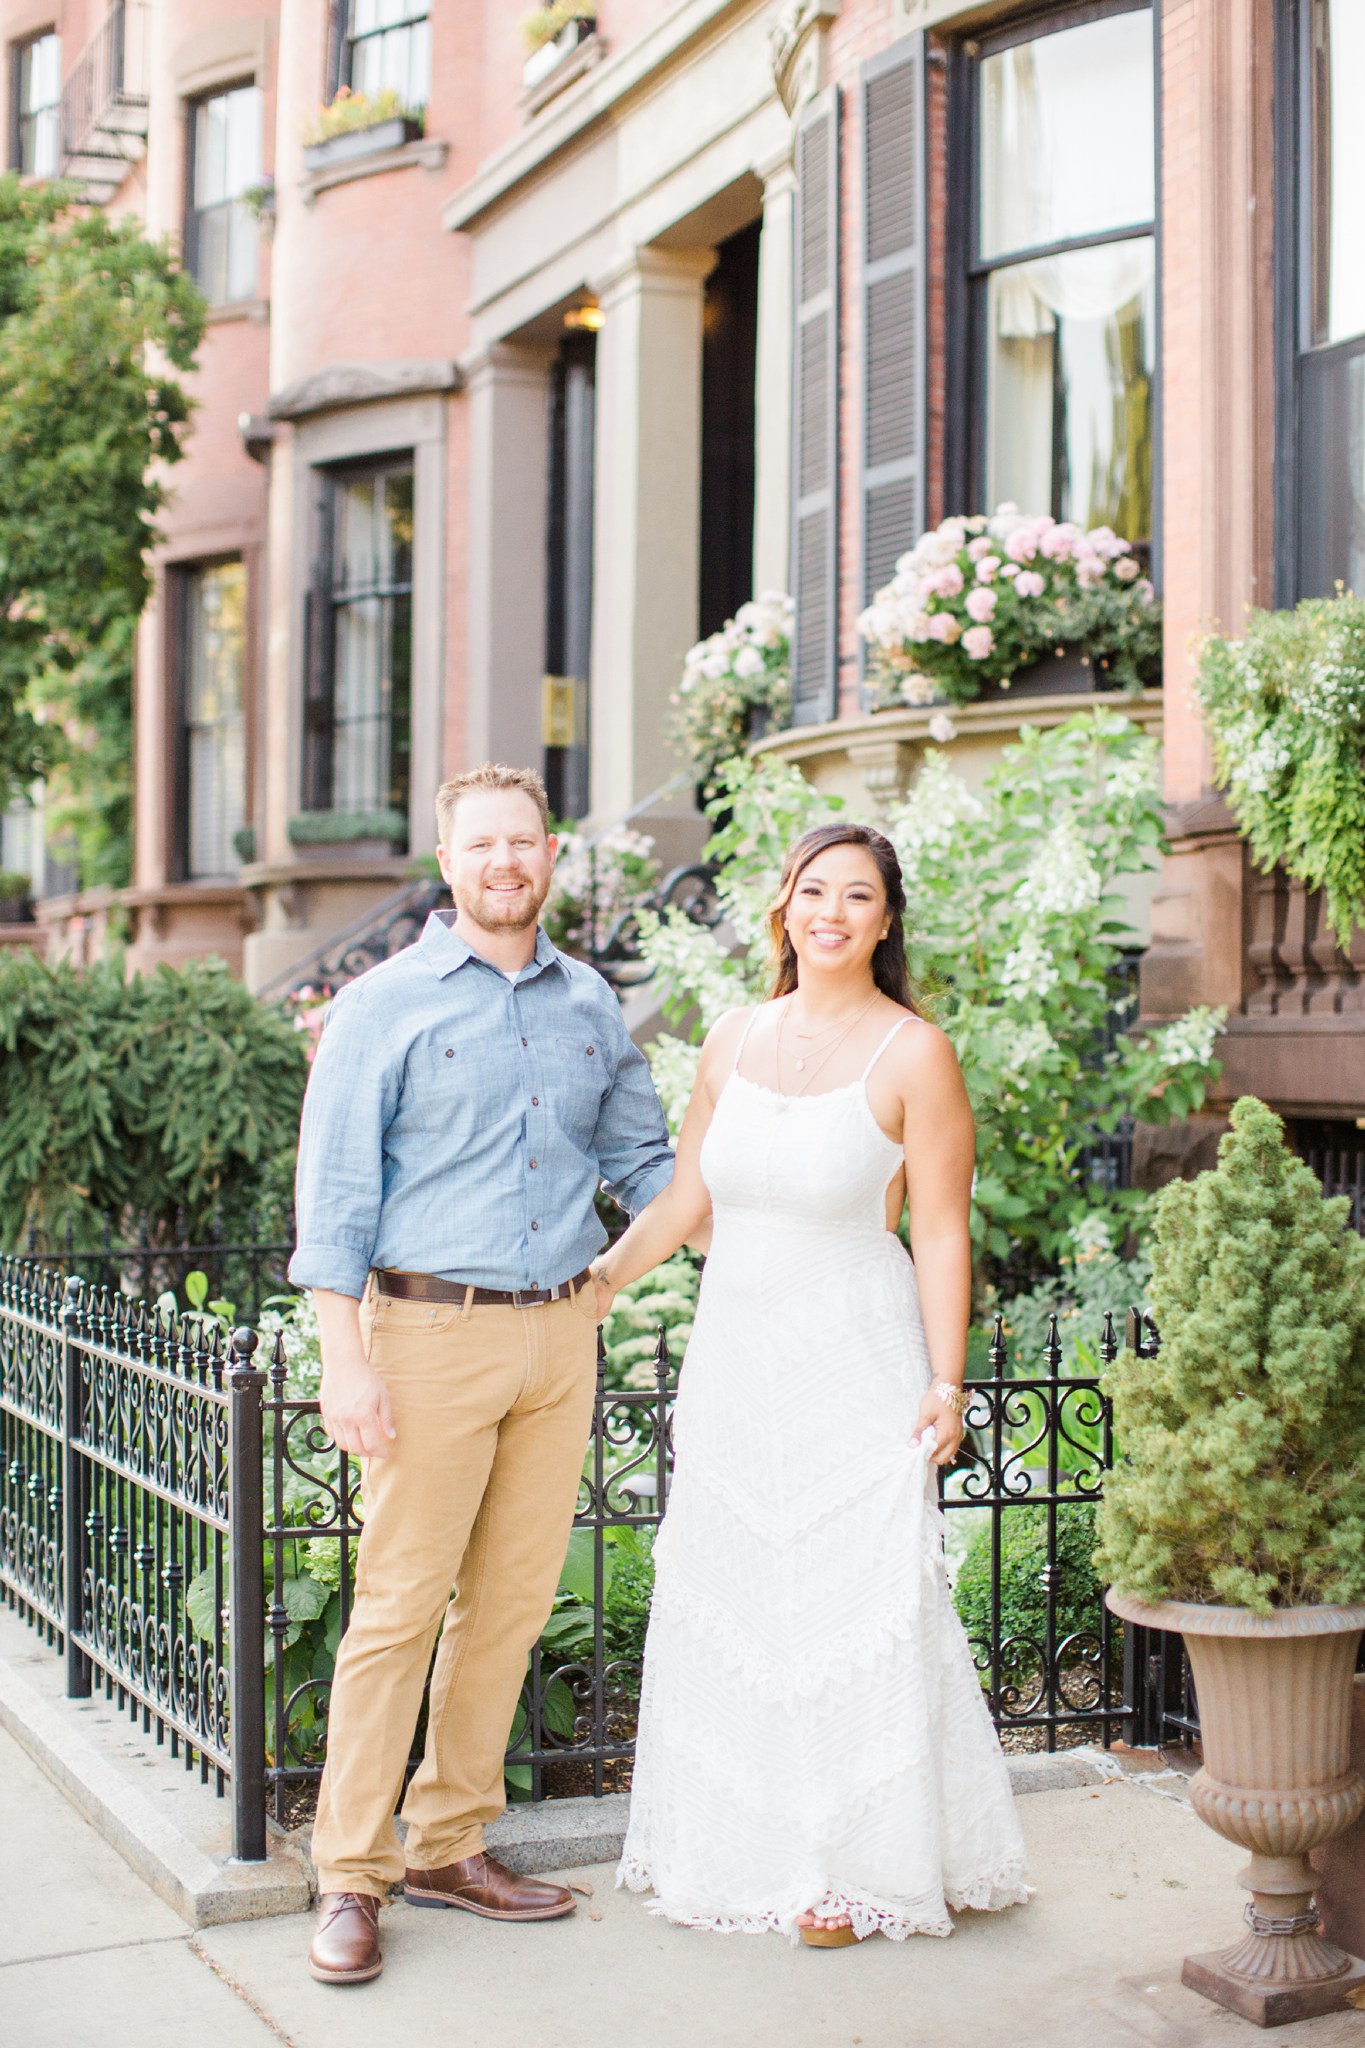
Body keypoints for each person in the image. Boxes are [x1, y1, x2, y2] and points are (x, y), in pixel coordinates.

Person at [593, 822, 1031, 1946]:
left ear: (886, 921)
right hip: (736, 1363)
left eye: (859, 895)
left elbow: (939, 1229)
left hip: (856, 1361)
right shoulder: (731, 1038)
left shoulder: (914, 1053)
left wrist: (946, 1382)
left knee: (855, 1605)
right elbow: (688, 1201)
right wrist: (599, 1279)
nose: (831, 910)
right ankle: (735, 1844)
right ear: (783, 906)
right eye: (813, 890)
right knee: (738, 1591)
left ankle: (852, 1864)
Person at [289, 762, 674, 1986]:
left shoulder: (589, 1005)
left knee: (506, 1607)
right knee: (398, 1606)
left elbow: (648, 1160)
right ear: (450, 863)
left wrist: (743, 1211)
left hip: (559, 1337)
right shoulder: (381, 1005)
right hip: (427, 1335)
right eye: (483, 845)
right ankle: (350, 1869)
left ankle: (452, 1839)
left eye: (526, 840)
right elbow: (336, 1204)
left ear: (553, 854)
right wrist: (344, 1358)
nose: (506, 862)